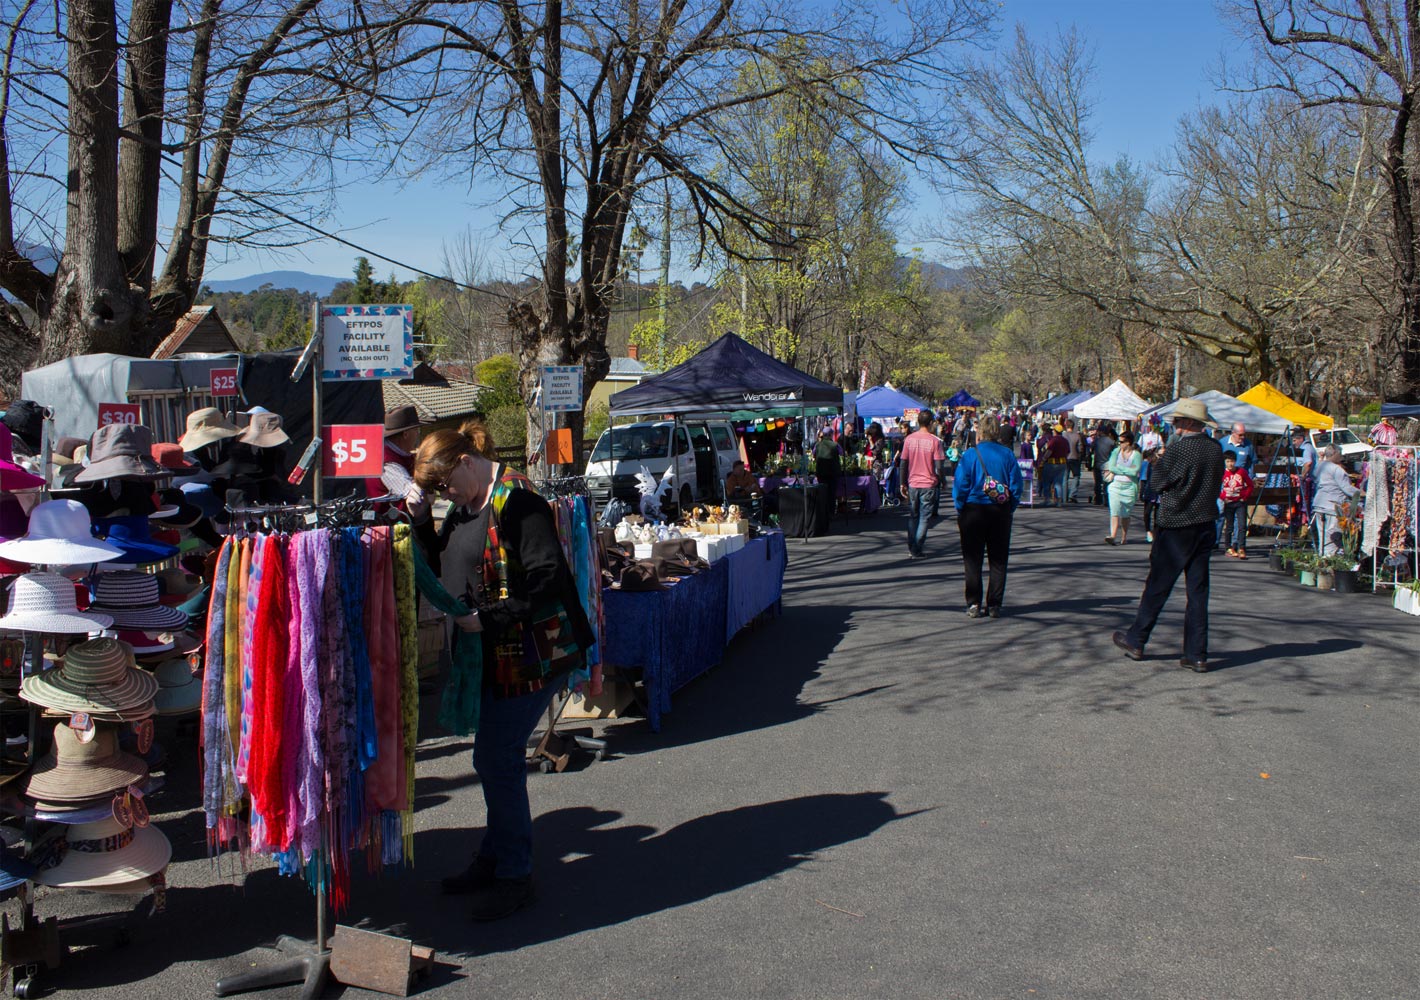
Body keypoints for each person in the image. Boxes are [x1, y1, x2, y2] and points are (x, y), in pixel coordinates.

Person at [414, 419, 596, 920]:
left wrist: (489, 617)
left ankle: (514, 874)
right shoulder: (465, 503)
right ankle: (495, 859)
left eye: (444, 485)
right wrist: (421, 521)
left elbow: (548, 577)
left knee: (496, 758)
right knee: (494, 759)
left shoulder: (519, 502)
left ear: (465, 462)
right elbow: (443, 563)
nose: (444, 495)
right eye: (437, 491)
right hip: (497, 653)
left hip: (534, 653)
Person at [1113, 398, 1225, 672]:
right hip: (1204, 523)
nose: (1174, 425)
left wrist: (1159, 460)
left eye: (1177, 421)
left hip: (1177, 524)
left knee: (1158, 586)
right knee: (1198, 591)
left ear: (1187, 423)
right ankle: (1196, 654)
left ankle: (1137, 639)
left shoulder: (1180, 449)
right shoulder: (1215, 449)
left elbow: (1157, 482)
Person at [953, 414, 1023, 618]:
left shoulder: (970, 454)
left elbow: (961, 485)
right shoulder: (1007, 454)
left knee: (972, 560)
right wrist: (1009, 507)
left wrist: (960, 507)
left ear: (980, 432)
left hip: (973, 509)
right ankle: (994, 604)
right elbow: (1016, 485)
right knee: (998, 560)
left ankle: (974, 602)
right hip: (999, 511)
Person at [367, 404, 429, 516]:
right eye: (416, 430)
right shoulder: (387, 462)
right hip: (391, 524)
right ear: (406, 434)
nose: (418, 434)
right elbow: (414, 494)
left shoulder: (401, 454)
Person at [899, 409, 945, 558]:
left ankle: (912, 546)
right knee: (924, 518)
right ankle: (917, 548)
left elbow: (903, 463)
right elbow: (939, 466)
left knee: (913, 516)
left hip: (913, 483)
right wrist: (942, 481)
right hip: (928, 483)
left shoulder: (909, 439)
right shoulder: (935, 441)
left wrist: (902, 483)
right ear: (931, 423)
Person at [1312, 444, 1358, 557]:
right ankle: (1329, 560)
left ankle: (1322, 558)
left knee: (1322, 536)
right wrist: (1361, 493)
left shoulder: (1319, 466)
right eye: (1340, 454)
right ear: (1334, 453)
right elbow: (1347, 488)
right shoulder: (1336, 469)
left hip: (1319, 504)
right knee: (1332, 536)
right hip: (1332, 506)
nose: (1341, 457)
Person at [1103, 429, 1143, 545]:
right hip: (1115, 485)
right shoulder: (1116, 452)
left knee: (1126, 514)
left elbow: (1135, 471)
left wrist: (1119, 468)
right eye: (1118, 441)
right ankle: (1113, 536)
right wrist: (1126, 470)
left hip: (1129, 487)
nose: (1119, 444)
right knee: (1114, 511)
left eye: (1121, 442)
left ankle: (1124, 537)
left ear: (1128, 442)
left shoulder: (1136, 455)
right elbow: (1111, 467)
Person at [1219, 451, 1255, 559]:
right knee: (1229, 526)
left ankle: (1241, 547)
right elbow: (1216, 487)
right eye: (1228, 461)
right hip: (1229, 502)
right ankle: (1228, 547)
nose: (1230, 464)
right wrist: (1223, 497)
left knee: (1242, 525)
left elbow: (1250, 485)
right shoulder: (1222, 473)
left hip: (1240, 502)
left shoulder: (1241, 472)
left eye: (1232, 461)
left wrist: (1245, 497)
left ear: (1235, 461)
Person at [1039, 423, 1069, 507]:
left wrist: (1043, 459)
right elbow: (1068, 452)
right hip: (1062, 463)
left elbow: (1049, 451)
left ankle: (1047, 500)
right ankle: (1058, 501)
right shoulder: (1065, 440)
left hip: (1052, 463)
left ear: (1055, 431)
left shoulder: (1053, 440)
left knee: (1047, 482)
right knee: (1058, 483)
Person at [1092, 422, 1117, 506]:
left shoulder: (1097, 441)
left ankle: (1098, 499)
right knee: (1106, 482)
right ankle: (1106, 500)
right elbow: (1114, 453)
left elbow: (1092, 450)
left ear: (1101, 432)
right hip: (1107, 464)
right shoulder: (1111, 442)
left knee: (1097, 483)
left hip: (1097, 463)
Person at [1062, 418, 1085, 502]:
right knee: (1076, 476)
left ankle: (1064, 497)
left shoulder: (1063, 435)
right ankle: (1072, 494)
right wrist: (1080, 455)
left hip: (1065, 458)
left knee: (1065, 478)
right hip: (1074, 458)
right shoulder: (1077, 436)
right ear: (1073, 426)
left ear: (1066, 426)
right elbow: (1080, 448)